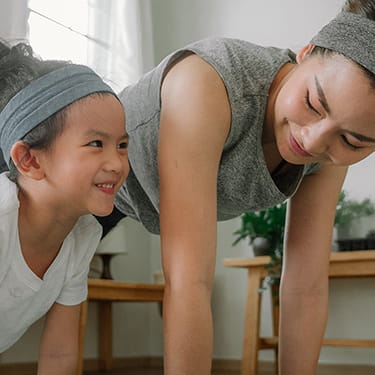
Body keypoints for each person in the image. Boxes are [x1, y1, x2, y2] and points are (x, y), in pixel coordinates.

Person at [94, 0, 375, 374]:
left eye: (353, 142)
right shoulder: (207, 83)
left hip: (130, 199)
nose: (312, 141)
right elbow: (189, 283)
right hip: (70, 177)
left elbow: (304, 286)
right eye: (312, 103)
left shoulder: (326, 149)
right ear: (305, 54)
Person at [0, 41, 129, 374]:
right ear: (29, 160)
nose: (116, 163)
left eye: (122, 145)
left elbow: (59, 354)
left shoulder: (82, 236)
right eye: (96, 144)